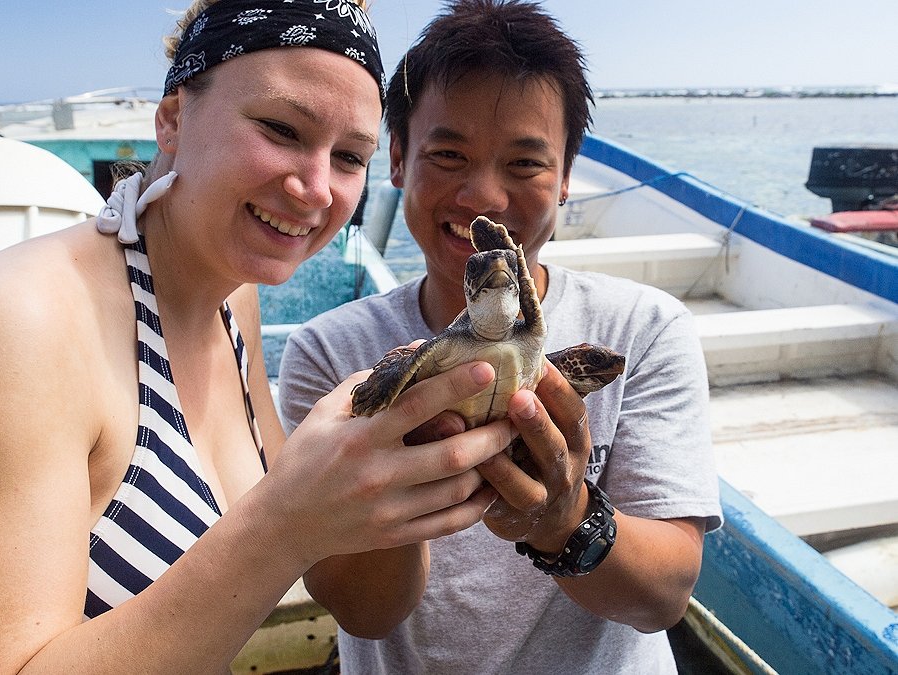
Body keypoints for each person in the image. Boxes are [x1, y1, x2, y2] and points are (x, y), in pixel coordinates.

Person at [0, 2, 523, 672]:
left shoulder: (230, 298)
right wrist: (284, 524)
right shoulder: (29, 317)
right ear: (173, 117)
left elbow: (361, 602)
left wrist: (404, 448)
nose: (313, 188)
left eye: (350, 157)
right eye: (281, 128)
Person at [278, 0, 724, 672]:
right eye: (449, 154)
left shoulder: (644, 329)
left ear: (567, 177)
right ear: (397, 158)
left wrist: (568, 519)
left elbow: (664, 595)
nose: (483, 196)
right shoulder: (332, 354)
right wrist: (393, 463)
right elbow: (361, 610)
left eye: (524, 165)